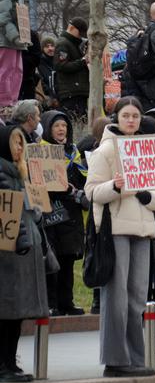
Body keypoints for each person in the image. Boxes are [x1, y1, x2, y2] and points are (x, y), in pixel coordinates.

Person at [84, 97, 155, 377]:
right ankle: (115, 360)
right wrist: (116, 186)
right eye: (126, 116)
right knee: (116, 299)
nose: (131, 120)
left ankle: (135, 357)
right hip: (115, 231)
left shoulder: (148, 148)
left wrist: (147, 195)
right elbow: (92, 192)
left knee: (136, 298)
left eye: (135, 116)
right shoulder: (106, 150)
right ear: (116, 118)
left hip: (143, 231)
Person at [0, 125, 47, 382]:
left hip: (24, 250)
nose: (20, 148)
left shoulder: (21, 174)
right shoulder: (3, 174)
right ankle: (3, 365)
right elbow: (9, 215)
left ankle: (10, 362)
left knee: (15, 314)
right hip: (9, 254)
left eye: (21, 143)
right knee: (6, 313)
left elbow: (31, 210)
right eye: (15, 143)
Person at [40, 111, 88, 316]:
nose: (61, 130)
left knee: (68, 259)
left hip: (71, 214)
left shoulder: (74, 153)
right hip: (51, 214)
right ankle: (52, 303)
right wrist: (66, 190)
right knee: (53, 261)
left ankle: (66, 301)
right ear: (48, 129)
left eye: (64, 126)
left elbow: (83, 178)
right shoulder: (41, 152)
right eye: (57, 126)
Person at [0, 0, 28, 108]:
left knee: (17, 71)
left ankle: (12, 102)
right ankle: (3, 104)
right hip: (5, 41)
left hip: (14, 41)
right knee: (6, 71)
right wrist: (15, 37)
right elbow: (3, 18)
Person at [52, 17, 90, 119]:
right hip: (70, 92)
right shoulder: (63, 44)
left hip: (78, 90)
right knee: (73, 120)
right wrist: (83, 61)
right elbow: (61, 65)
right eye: (79, 33)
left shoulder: (76, 44)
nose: (81, 36)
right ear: (72, 28)